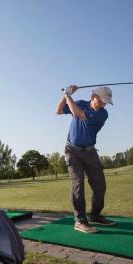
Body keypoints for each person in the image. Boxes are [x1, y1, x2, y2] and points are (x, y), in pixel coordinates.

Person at [55, 85, 115, 233]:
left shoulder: (102, 114)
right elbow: (58, 110)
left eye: (105, 102)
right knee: (78, 184)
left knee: (100, 184)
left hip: (90, 152)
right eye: (101, 100)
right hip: (72, 151)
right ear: (93, 96)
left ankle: (95, 215)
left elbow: (77, 113)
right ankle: (80, 221)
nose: (103, 104)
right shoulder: (80, 103)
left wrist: (68, 94)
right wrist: (65, 95)